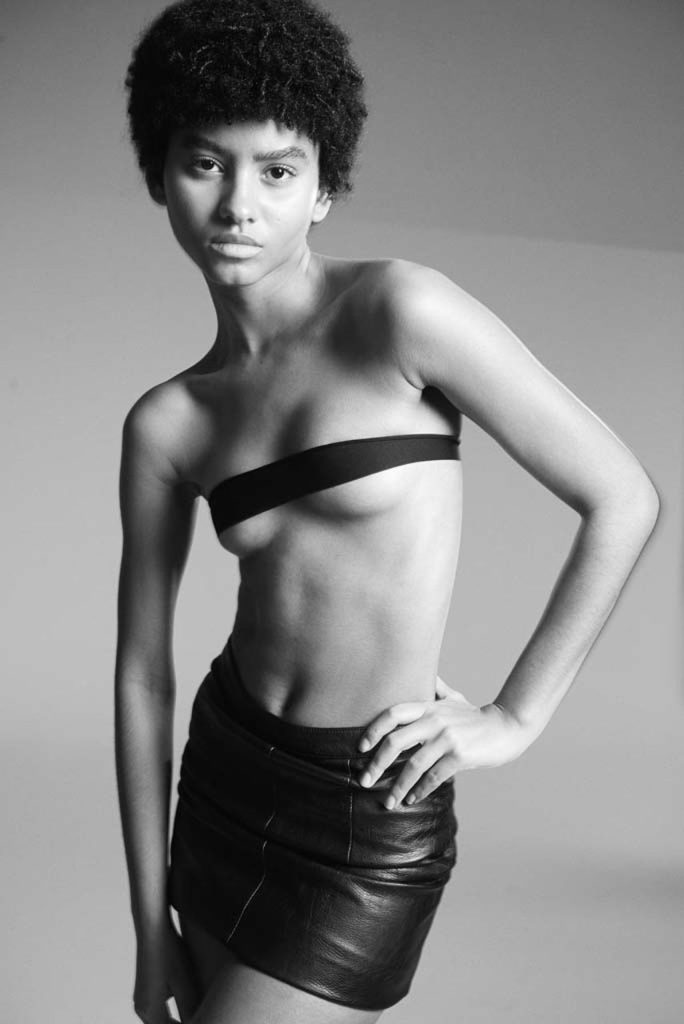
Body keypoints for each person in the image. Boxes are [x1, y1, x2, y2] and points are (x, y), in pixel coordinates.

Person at [114, 1, 660, 1022]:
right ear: (161, 175)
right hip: (224, 781)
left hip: (367, 811)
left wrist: (515, 716)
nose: (239, 203)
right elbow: (143, 676)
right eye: (206, 163)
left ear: (325, 189)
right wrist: (149, 927)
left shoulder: (399, 313)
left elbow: (621, 497)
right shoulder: (169, 421)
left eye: (278, 171)